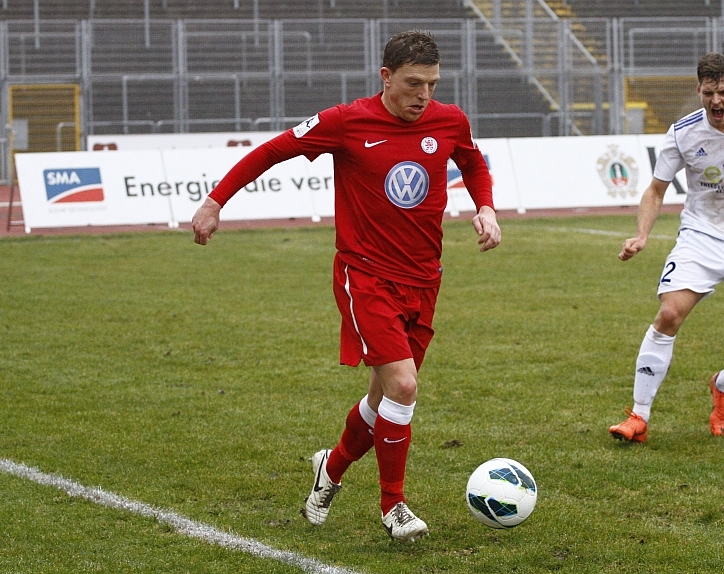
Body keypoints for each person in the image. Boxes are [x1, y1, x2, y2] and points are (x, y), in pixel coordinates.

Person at [191, 30, 500, 541]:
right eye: (413, 83)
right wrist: (214, 201)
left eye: (432, 84)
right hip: (366, 276)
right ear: (386, 77)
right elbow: (272, 151)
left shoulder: (449, 121)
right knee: (404, 386)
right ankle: (393, 506)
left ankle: (330, 468)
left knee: (384, 399)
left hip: (425, 279)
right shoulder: (346, 121)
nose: (424, 95)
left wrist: (485, 207)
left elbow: (470, 161)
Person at [608, 52, 724, 443]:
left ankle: (723, 386)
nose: (716, 101)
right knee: (669, 313)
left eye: (723, 92)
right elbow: (656, 190)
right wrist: (641, 235)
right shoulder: (683, 133)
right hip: (701, 236)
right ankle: (638, 417)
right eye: (709, 93)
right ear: (699, 91)